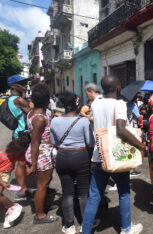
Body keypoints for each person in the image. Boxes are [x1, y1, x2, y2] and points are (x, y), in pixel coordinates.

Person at [82, 76, 146, 234]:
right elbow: (120, 129)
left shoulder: (95, 103)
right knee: (123, 193)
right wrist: (140, 145)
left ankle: (86, 231)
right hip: (117, 157)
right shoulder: (120, 104)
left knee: (94, 196)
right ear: (118, 87)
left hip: (98, 156)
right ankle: (126, 228)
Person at [50, 92, 95, 234]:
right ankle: (85, 223)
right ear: (76, 104)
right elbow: (90, 142)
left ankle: (69, 225)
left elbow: (54, 142)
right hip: (81, 155)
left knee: (67, 192)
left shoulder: (54, 121)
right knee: (83, 192)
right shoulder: (83, 121)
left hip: (63, 156)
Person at [25, 84, 58, 224]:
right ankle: (39, 215)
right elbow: (35, 142)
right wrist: (33, 164)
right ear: (46, 101)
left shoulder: (33, 113)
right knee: (42, 185)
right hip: (41, 153)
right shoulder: (39, 118)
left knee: (46, 182)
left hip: (42, 152)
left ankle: (43, 205)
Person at [7, 75, 31, 201]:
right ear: (13, 86)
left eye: (24, 82)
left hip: (19, 134)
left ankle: (24, 187)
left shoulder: (13, 99)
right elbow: (31, 111)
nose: (24, 85)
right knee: (21, 163)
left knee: (23, 162)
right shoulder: (18, 100)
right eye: (21, 83)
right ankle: (22, 190)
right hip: (22, 135)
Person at [0, 137, 29, 228]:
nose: (13, 157)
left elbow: (23, 162)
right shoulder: (1, 154)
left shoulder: (17, 154)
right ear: (9, 149)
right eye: (12, 155)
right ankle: (8, 214)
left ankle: (13, 206)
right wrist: (2, 183)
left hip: (4, 174)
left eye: (16, 155)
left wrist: (29, 168)